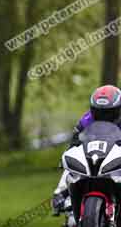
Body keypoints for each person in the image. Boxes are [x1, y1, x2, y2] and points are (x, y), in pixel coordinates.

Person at [52, 84, 121, 216]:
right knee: (71, 162)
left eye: (108, 112)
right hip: (93, 153)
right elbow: (76, 136)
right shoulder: (87, 118)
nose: (103, 115)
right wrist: (73, 146)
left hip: (116, 154)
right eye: (99, 111)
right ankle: (59, 194)